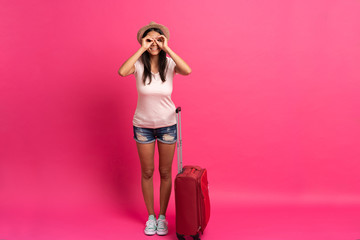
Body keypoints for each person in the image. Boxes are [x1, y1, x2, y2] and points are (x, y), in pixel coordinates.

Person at [118, 21, 192, 236]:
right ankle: (150, 217)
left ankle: (162, 217)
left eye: (158, 40)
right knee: (148, 172)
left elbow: (187, 70)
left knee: (166, 172)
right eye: (149, 39)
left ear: (163, 42)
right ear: (143, 41)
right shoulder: (139, 65)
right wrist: (142, 48)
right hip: (143, 126)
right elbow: (122, 72)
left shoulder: (169, 64)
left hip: (168, 124)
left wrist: (166, 47)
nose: (154, 43)